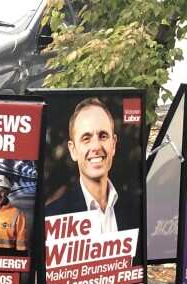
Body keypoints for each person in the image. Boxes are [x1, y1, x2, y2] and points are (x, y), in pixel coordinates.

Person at [45, 97, 135, 233]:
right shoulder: (52, 217)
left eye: (103, 136)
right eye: (86, 138)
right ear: (73, 150)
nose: (96, 146)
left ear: (114, 144)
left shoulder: (135, 209)